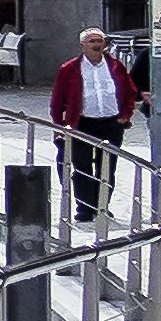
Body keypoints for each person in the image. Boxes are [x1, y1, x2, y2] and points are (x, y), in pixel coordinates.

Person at [51, 25, 135, 219]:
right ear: (83, 46)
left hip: (111, 123)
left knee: (107, 167)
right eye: (92, 42)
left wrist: (125, 116)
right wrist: (58, 127)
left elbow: (130, 92)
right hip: (82, 123)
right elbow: (57, 101)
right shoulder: (69, 69)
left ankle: (102, 207)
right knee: (82, 167)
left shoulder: (115, 66)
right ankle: (85, 209)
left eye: (100, 41)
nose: (97, 45)